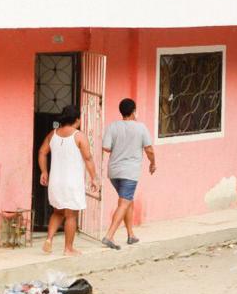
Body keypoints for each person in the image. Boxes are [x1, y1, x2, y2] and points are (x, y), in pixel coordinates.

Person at [39, 105, 98, 256]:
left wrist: (44, 171)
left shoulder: (53, 134)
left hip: (55, 181)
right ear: (77, 119)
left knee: (57, 211)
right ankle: (68, 248)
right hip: (72, 182)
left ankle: (49, 240)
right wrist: (94, 178)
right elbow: (88, 158)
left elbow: (42, 152)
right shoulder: (79, 136)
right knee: (71, 215)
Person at [101, 98, 155, 250]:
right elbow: (149, 149)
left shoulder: (113, 126)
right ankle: (109, 236)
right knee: (124, 202)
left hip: (113, 172)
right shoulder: (140, 128)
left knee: (127, 201)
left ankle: (131, 234)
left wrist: (120, 149)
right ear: (133, 111)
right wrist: (153, 163)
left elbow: (106, 147)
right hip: (129, 172)